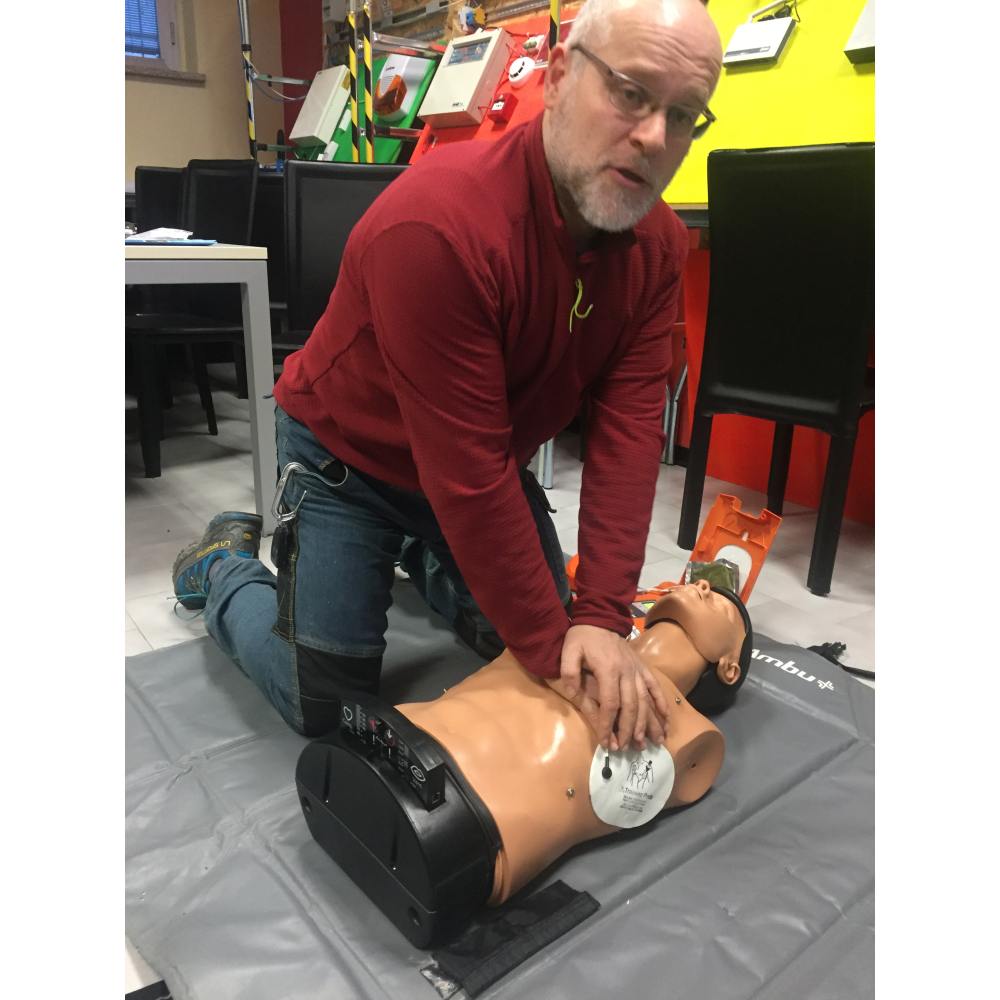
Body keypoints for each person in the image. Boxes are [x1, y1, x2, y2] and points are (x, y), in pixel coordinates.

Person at [172, 0, 725, 750]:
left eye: (684, 114)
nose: (656, 136)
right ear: (560, 76)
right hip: (347, 462)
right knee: (325, 707)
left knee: (542, 643)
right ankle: (222, 566)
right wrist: (554, 645)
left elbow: (627, 432)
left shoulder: (657, 245)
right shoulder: (439, 227)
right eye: (630, 93)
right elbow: (469, 478)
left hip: (476, 457)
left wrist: (600, 616)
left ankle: (419, 551)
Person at [314, 581, 752, 906]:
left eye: (723, 605)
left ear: (729, 667)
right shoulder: (575, 624)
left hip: (465, 823)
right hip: (399, 733)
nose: (702, 586)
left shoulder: (693, 740)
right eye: (706, 584)